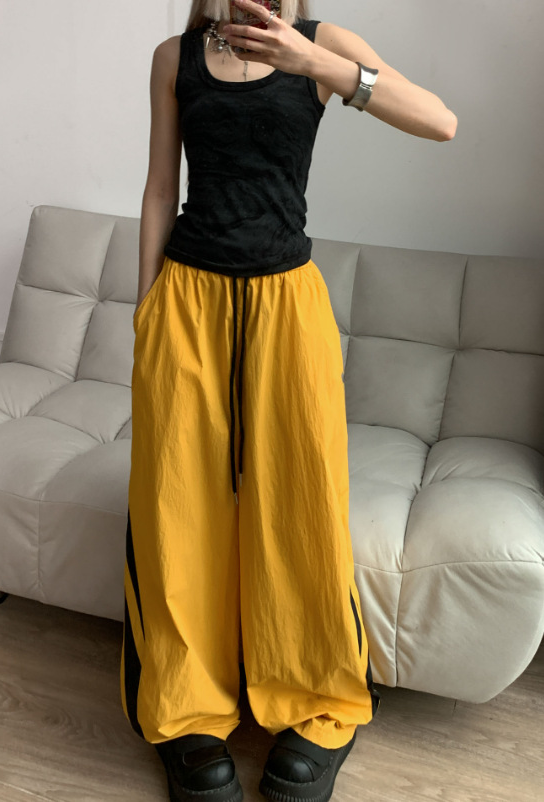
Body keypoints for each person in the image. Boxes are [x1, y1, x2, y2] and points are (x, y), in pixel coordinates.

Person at [120, 1, 457, 801]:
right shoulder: (174, 56)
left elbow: (439, 121)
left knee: (300, 504)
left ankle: (313, 700)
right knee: (179, 507)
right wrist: (146, 309)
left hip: (286, 303)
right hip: (187, 301)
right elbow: (160, 187)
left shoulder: (322, 44)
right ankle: (187, 710)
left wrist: (317, 67)